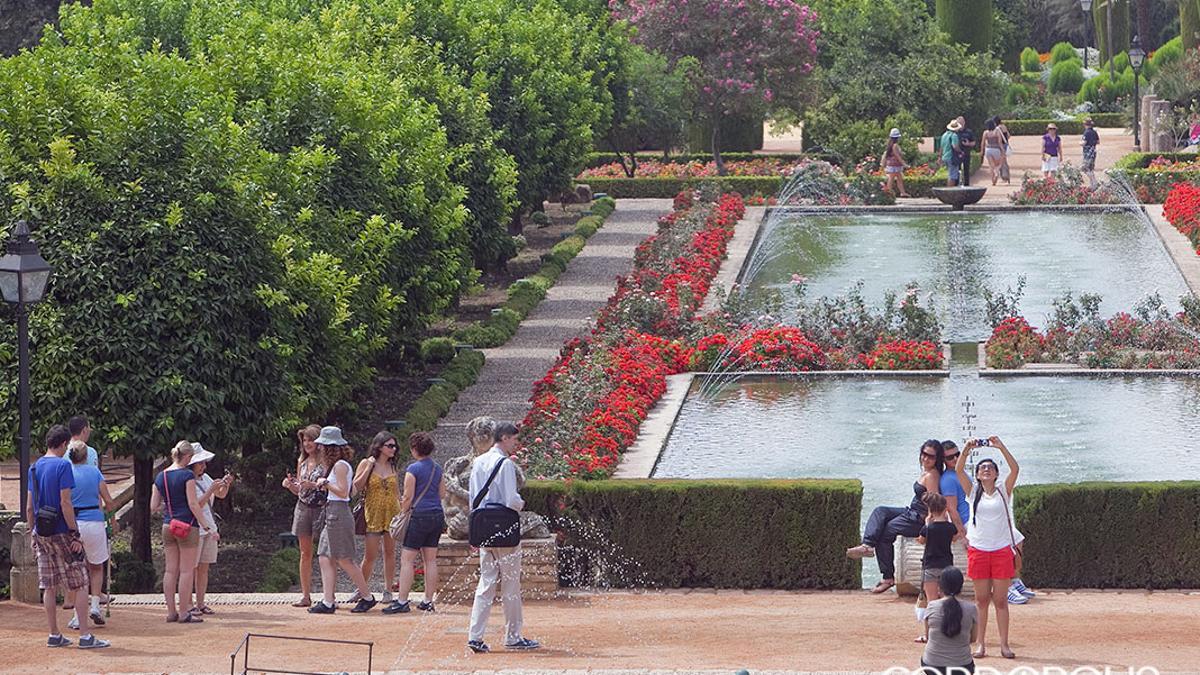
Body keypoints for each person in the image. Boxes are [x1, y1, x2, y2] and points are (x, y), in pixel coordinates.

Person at [28, 425, 110, 649]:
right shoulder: (63, 465)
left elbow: (29, 506)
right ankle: (85, 635)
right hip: (62, 530)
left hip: (42, 532)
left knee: (49, 584)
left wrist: (32, 529)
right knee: (80, 582)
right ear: (64, 444)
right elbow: (65, 502)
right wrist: (74, 532)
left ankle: (54, 633)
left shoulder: (34, 468)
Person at [466, 422, 540, 653]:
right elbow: (510, 499)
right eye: (514, 440)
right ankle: (513, 636)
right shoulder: (505, 464)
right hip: (505, 529)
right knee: (510, 585)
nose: (516, 444)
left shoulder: (478, 462)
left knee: (486, 583)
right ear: (505, 438)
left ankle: (475, 636)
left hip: (484, 528)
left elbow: (472, 500)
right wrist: (521, 503)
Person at [955, 437, 1022, 659]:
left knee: (1001, 601)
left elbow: (1015, 468)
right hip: (979, 550)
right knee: (981, 600)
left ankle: (1004, 644)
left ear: (995, 474)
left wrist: (1001, 447)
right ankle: (981, 644)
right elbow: (958, 470)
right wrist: (966, 449)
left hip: (1001, 550)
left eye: (990, 468)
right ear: (977, 474)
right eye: (982, 468)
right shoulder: (973, 492)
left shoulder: (1004, 490)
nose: (986, 470)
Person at [846, 440, 943, 593]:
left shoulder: (932, 475)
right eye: (923, 454)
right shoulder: (926, 471)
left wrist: (929, 526)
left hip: (918, 519)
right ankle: (867, 545)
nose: (925, 459)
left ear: (937, 459)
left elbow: (933, 501)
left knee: (886, 532)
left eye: (930, 456)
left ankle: (888, 578)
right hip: (911, 511)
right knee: (881, 511)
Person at [308, 426, 376, 614]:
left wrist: (326, 483)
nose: (319, 449)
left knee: (344, 559)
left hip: (338, 513)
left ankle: (367, 597)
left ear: (329, 447)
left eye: (322, 446)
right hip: (332, 512)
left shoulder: (340, 466)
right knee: (324, 556)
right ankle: (328, 601)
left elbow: (345, 493)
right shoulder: (336, 465)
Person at [151, 440, 215, 623]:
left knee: (170, 570)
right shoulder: (187, 475)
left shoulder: (160, 476)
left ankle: (171, 611)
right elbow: (193, 504)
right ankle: (184, 612)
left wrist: (169, 506)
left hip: (168, 525)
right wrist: (207, 526)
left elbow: (153, 506)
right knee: (186, 570)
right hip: (187, 525)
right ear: (187, 456)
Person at [383, 431, 447, 614]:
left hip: (419, 516)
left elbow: (408, 496)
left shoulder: (413, 469)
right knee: (430, 560)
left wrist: (402, 512)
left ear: (414, 449)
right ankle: (428, 600)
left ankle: (402, 601)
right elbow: (442, 493)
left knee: (407, 560)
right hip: (436, 515)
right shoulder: (437, 468)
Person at [66, 440, 114, 630]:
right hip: (94, 521)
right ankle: (95, 605)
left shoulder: (67, 473)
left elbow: (64, 500)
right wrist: (112, 520)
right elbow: (108, 501)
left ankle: (78, 615)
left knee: (77, 569)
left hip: (74, 524)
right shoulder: (95, 472)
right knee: (96, 567)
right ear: (86, 456)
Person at [353, 431, 403, 605]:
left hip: (391, 513)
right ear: (379, 447)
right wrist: (368, 467)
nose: (393, 449)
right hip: (372, 513)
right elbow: (357, 486)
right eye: (390, 446)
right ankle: (361, 588)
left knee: (390, 553)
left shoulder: (393, 466)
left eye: (394, 446)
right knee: (370, 555)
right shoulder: (367, 463)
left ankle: (388, 589)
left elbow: (397, 492)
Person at [282, 424, 325, 607]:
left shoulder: (327, 462)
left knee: (326, 553)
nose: (307, 443)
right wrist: (290, 485)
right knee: (304, 553)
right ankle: (306, 595)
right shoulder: (302, 462)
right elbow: (299, 490)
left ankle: (328, 595)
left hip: (322, 508)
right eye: (304, 440)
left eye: (310, 439)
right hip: (303, 507)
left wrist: (313, 486)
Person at [189, 444, 232, 616]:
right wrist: (210, 491)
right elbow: (195, 504)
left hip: (209, 528)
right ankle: (189, 603)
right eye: (200, 463)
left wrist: (225, 485)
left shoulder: (205, 477)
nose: (203, 466)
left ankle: (201, 603)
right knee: (191, 568)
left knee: (204, 568)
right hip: (196, 528)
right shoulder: (188, 481)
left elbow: (220, 495)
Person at [916, 492, 958, 644]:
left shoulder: (928, 528)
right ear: (945, 509)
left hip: (930, 566)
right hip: (947, 566)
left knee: (931, 602)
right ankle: (948, 632)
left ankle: (929, 635)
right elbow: (954, 538)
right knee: (947, 601)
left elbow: (921, 541)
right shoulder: (950, 527)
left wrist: (927, 524)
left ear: (930, 510)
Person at [921, 566, 978, 675]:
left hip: (932, 664)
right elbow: (973, 639)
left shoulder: (932, 606)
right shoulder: (971, 608)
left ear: (940, 586)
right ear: (961, 586)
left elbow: (928, 636)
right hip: (962, 666)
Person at [882, 128, 911, 198]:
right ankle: (888, 192)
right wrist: (904, 164)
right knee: (892, 178)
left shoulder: (890, 145)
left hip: (893, 164)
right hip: (895, 165)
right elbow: (898, 156)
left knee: (899, 178)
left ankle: (902, 192)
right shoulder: (895, 146)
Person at [981, 121, 1004, 186]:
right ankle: (996, 172)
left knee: (991, 165)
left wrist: (982, 151)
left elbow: (983, 142)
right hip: (996, 149)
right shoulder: (997, 132)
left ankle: (993, 181)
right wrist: (1002, 150)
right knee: (997, 164)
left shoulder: (985, 132)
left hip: (988, 149)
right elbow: (1000, 142)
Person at [940, 120, 962, 186]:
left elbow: (941, 147)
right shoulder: (954, 135)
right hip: (951, 157)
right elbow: (955, 146)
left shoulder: (944, 135)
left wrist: (940, 157)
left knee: (949, 174)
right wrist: (960, 151)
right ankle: (950, 191)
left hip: (945, 157)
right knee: (952, 176)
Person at [956, 116, 976, 187]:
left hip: (966, 153)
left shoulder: (969, 132)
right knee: (957, 170)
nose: (960, 124)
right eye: (959, 123)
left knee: (966, 170)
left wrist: (968, 144)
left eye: (962, 122)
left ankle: (967, 186)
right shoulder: (955, 132)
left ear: (964, 123)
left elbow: (974, 142)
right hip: (957, 154)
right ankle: (956, 185)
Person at [992, 116, 1012, 185]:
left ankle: (1005, 177)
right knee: (1004, 161)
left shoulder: (998, 128)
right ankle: (1007, 177)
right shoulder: (1004, 126)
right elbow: (1009, 136)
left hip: (1000, 146)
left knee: (1001, 162)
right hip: (1006, 145)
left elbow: (997, 137)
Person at [1082, 117, 1100, 188]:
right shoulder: (1094, 132)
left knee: (1085, 168)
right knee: (1091, 168)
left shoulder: (1086, 132)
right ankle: (1093, 184)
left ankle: (1094, 181)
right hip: (1093, 152)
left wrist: (1080, 143)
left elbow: (1084, 142)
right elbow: (1098, 142)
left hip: (1087, 152)